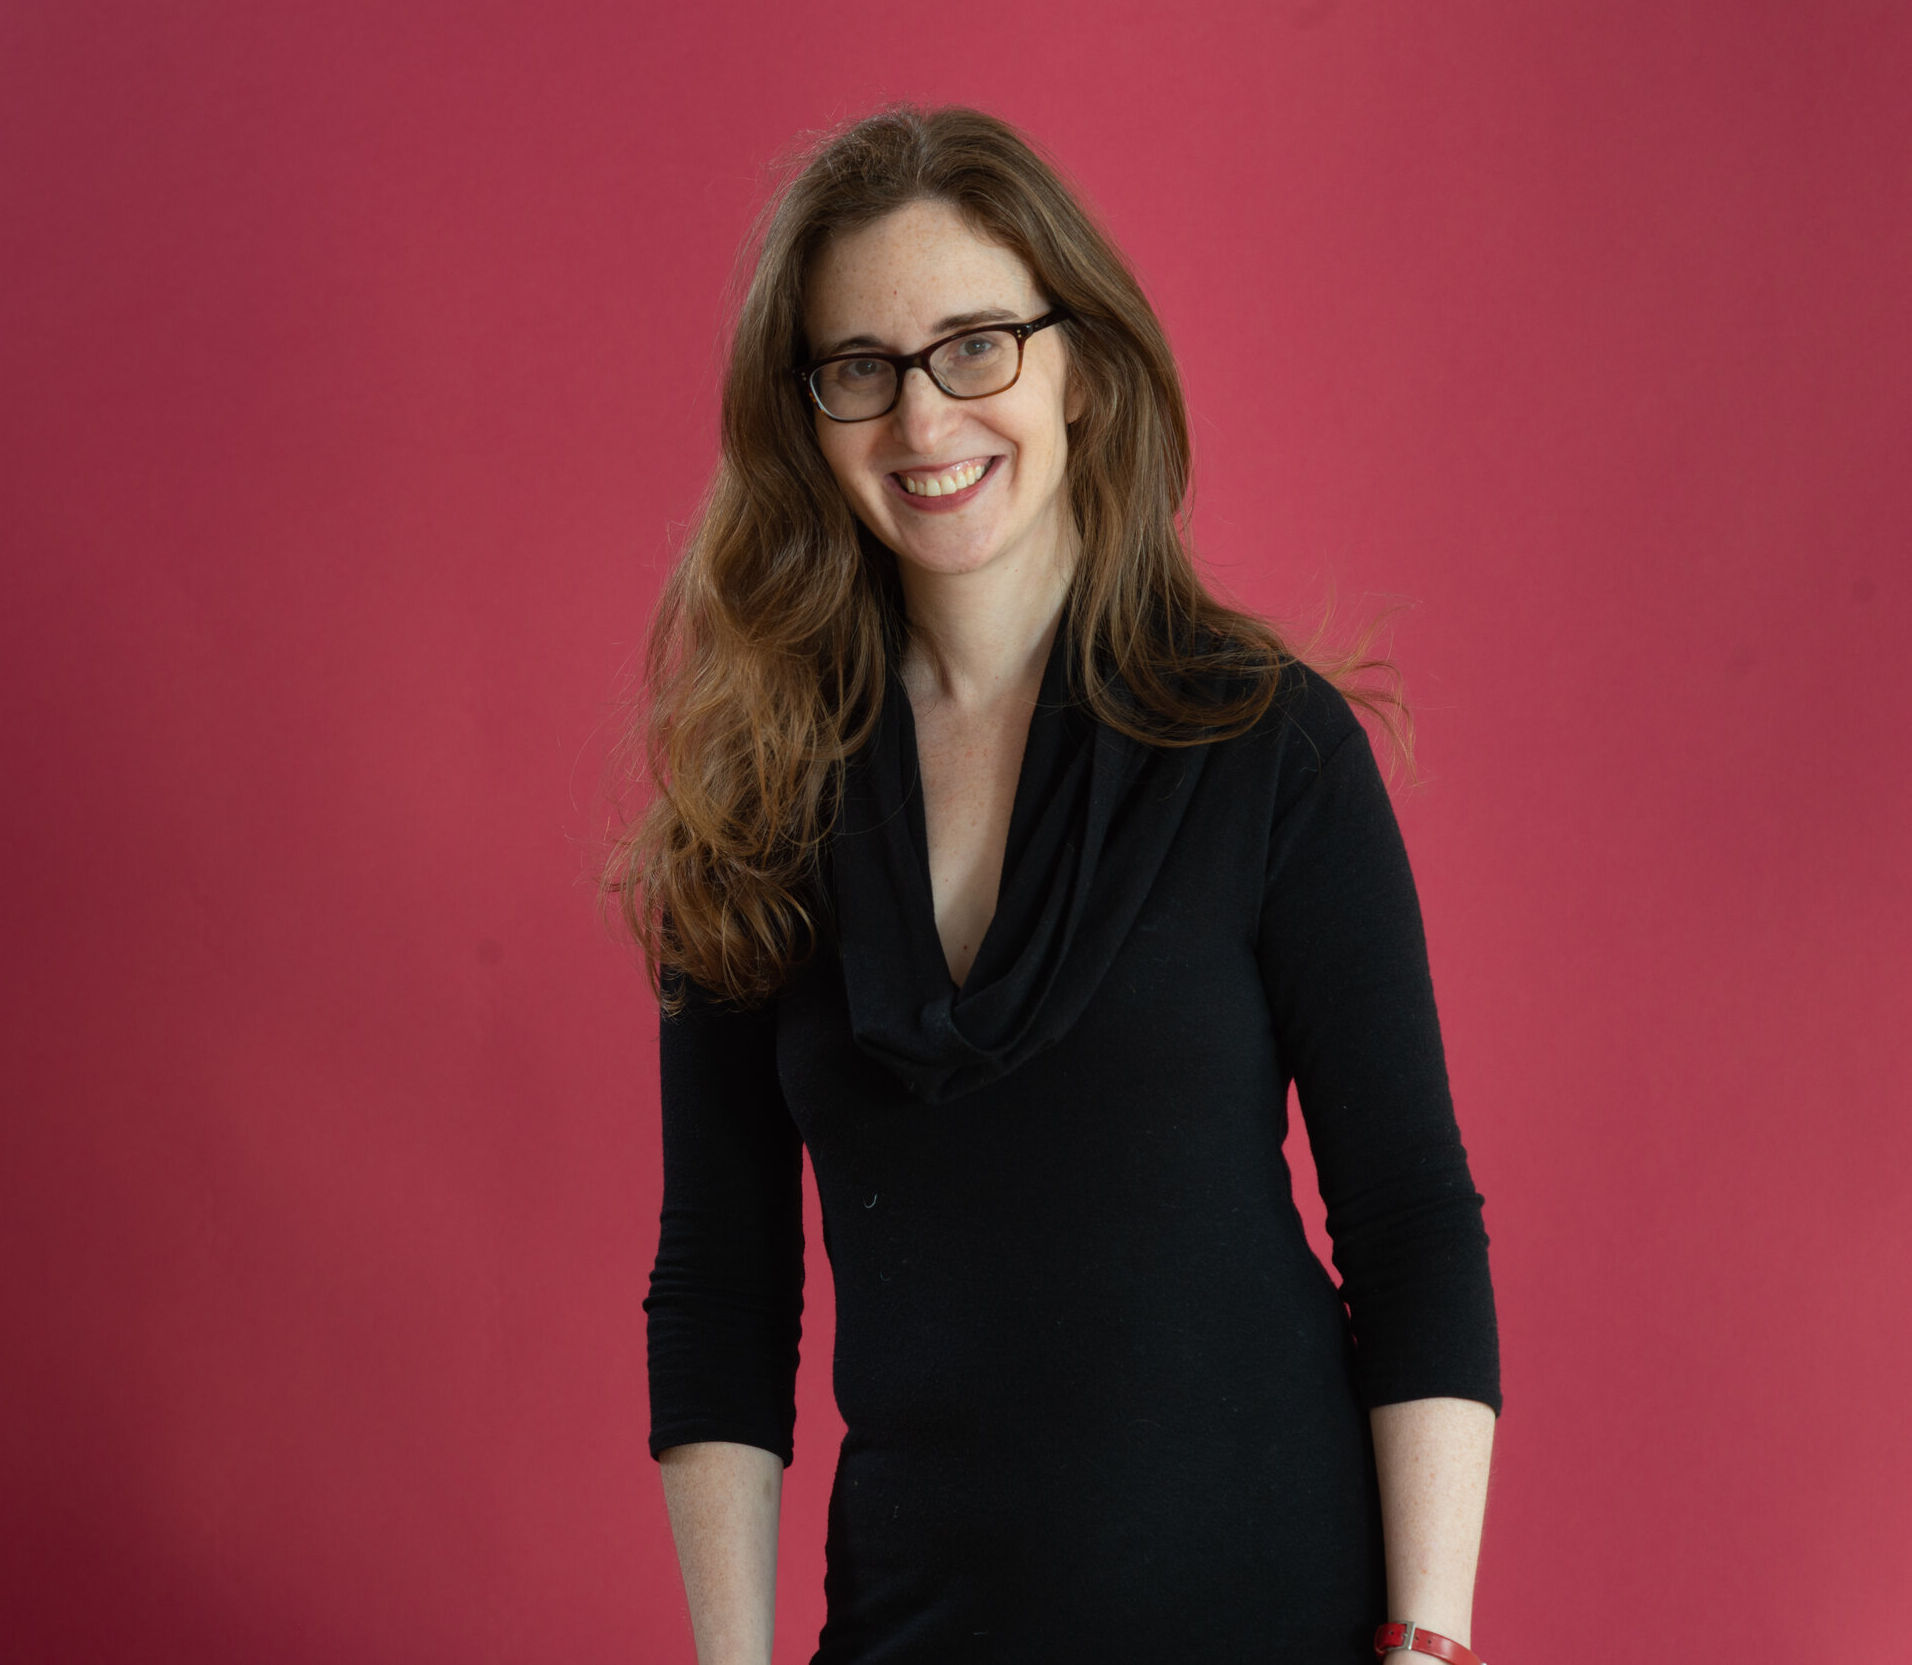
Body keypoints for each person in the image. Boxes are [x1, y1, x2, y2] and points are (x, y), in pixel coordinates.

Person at [610, 106, 1501, 1664]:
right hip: (915, 1629)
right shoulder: (751, 811)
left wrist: (1427, 1646)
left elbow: (1413, 1221)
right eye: (860, 368)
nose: (921, 418)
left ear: (1080, 367)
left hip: (1272, 1622)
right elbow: (720, 1291)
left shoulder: (1266, 749)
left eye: (977, 346)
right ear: (806, 419)